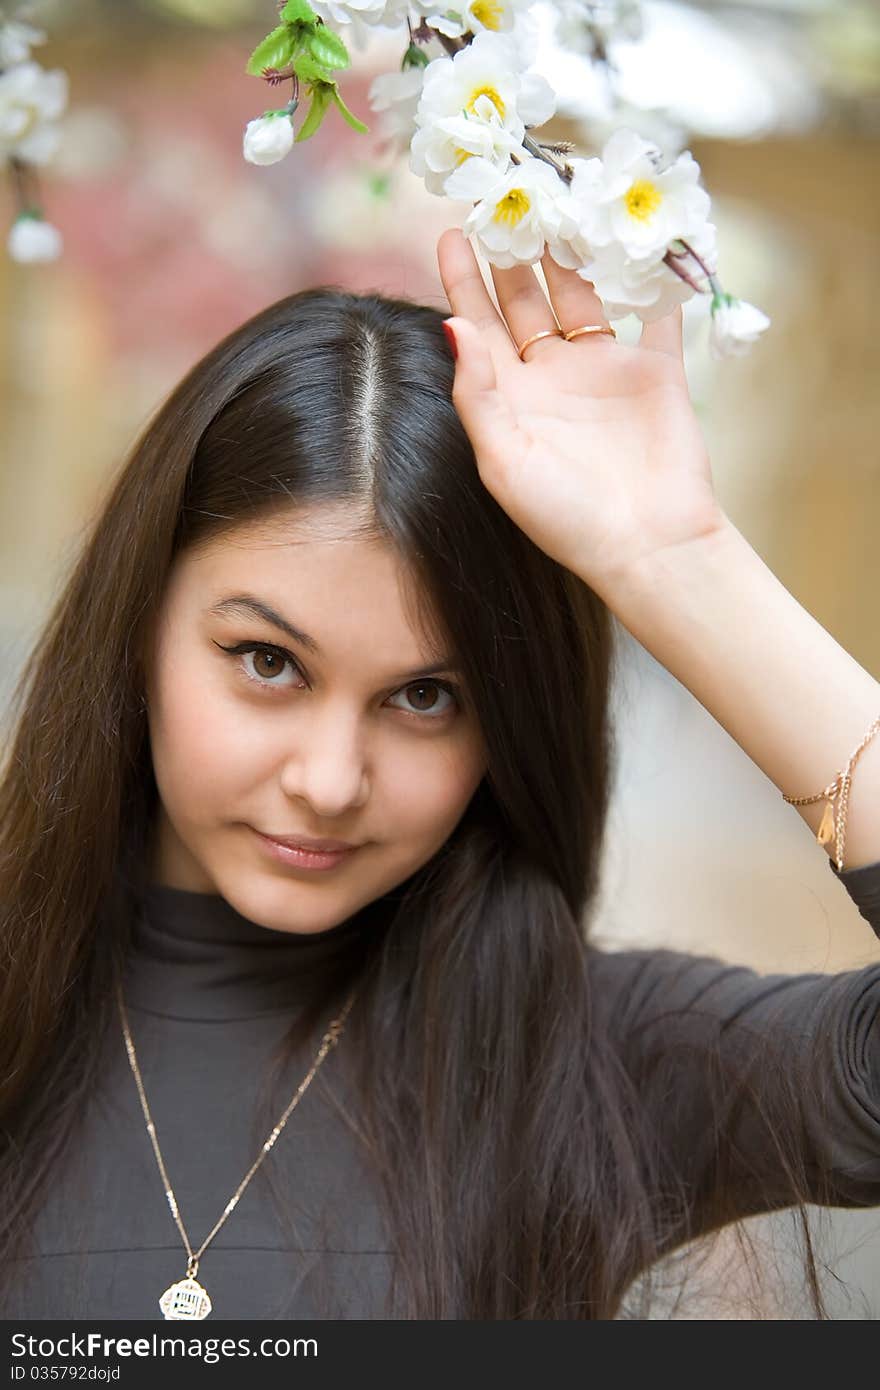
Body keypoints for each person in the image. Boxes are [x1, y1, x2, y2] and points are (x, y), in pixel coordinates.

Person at [0, 228, 877, 1322]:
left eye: (424, 697)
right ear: (138, 632)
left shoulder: (591, 1063)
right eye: (267, 663)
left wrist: (675, 557)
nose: (328, 781)